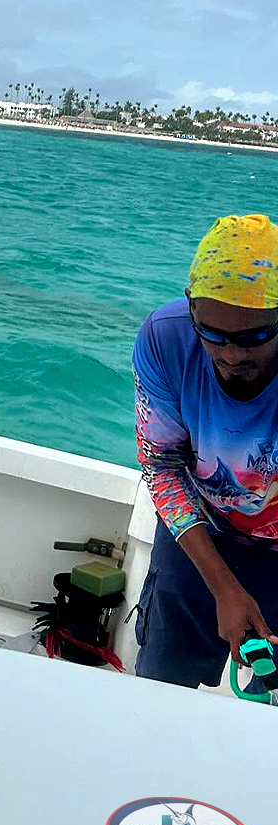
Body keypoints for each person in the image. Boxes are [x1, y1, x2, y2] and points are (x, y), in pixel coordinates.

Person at [132, 214, 278, 689]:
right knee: (159, 689)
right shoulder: (164, 339)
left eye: (254, 336)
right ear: (192, 306)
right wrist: (223, 586)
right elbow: (160, 466)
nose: (232, 354)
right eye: (212, 333)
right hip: (198, 531)